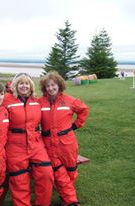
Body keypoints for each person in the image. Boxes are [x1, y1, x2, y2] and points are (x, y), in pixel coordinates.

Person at [3, 73, 54, 206]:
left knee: (46, 173)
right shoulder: (6, 100)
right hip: (15, 144)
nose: (24, 86)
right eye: (21, 83)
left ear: (31, 86)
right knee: (19, 180)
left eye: (27, 83)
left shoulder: (37, 101)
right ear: (15, 85)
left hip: (36, 143)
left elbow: (55, 105)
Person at [39, 71, 89, 206]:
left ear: (59, 85)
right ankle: (71, 201)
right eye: (47, 86)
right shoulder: (39, 102)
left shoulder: (70, 100)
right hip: (49, 145)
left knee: (71, 172)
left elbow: (84, 109)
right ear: (44, 88)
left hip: (67, 144)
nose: (50, 88)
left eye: (53, 85)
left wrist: (76, 125)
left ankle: (65, 198)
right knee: (59, 173)